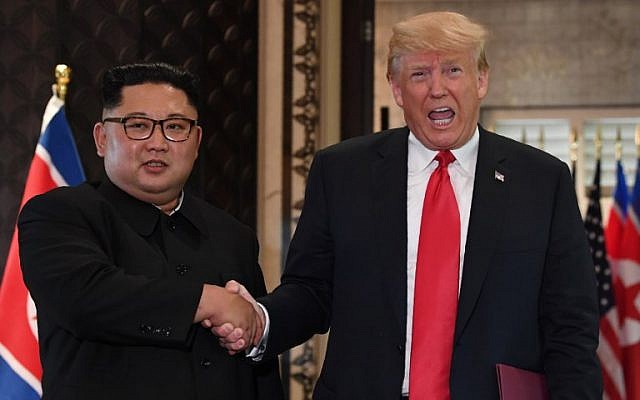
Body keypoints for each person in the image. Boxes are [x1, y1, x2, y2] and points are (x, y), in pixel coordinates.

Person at [215, 11, 602, 399]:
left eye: (453, 70)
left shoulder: (541, 180)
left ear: (481, 79)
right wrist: (260, 320)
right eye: (419, 74)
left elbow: (569, 326)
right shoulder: (342, 171)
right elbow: (311, 290)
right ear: (397, 89)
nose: (437, 89)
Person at [18, 62, 283, 400]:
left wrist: (247, 328)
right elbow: (85, 299)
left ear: (197, 140)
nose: (157, 143)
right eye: (138, 126)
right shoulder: (59, 214)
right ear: (101, 138)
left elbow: (260, 373)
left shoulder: (234, 236)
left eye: (175, 127)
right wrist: (208, 301)